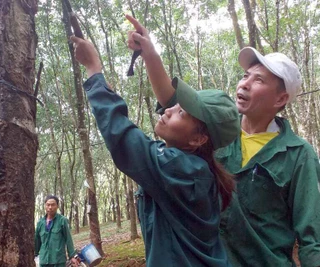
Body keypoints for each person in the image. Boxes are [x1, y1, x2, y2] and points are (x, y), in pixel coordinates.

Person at [125, 15, 320, 267]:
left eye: (258, 80)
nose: (245, 84)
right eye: (246, 75)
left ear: (281, 99)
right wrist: (149, 52)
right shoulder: (218, 133)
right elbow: (171, 100)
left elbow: (312, 237)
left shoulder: (298, 155)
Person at [70, 30, 240, 265]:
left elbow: (124, 138)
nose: (167, 110)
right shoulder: (193, 168)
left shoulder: (182, 169)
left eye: (181, 112)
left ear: (198, 139)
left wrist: (93, 70)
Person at [35, 195, 79, 267]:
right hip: (44, 261)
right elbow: (37, 240)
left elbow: (68, 239)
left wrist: (72, 256)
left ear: (57, 206)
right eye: (48, 205)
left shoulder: (62, 221)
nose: (50, 207)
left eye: (53, 205)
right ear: (45, 206)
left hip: (58, 260)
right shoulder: (40, 223)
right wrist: (34, 254)